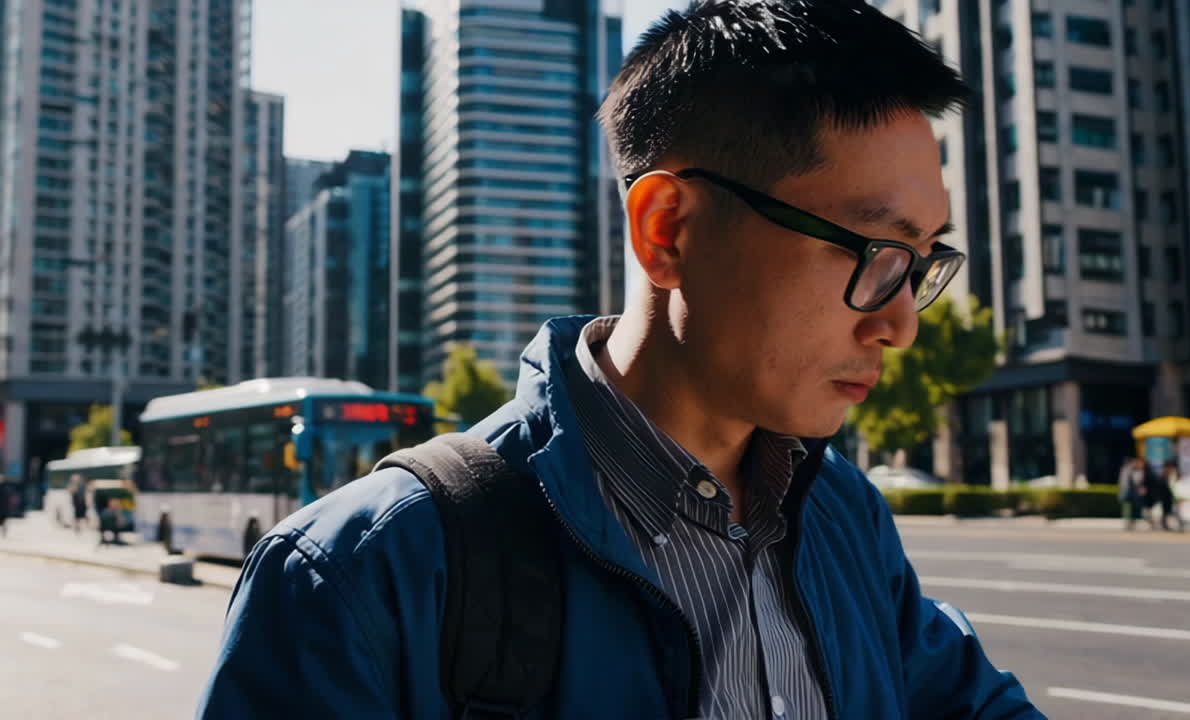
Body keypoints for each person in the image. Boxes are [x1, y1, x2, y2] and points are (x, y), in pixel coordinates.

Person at [199, 2, 1043, 717]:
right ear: (668, 229)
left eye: (923, 260)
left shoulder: (840, 515)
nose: (901, 323)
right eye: (873, 253)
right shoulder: (362, 575)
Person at [1117, 457, 1144, 530]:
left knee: (1134, 508)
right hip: (1128, 492)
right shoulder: (1127, 470)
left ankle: (1132, 522)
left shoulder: (1139, 471)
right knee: (1127, 508)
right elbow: (1123, 482)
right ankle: (1128, 523)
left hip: (1134, 494)